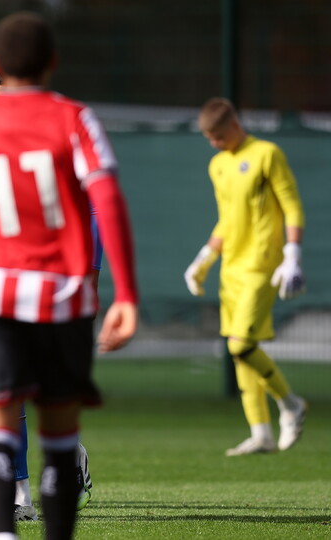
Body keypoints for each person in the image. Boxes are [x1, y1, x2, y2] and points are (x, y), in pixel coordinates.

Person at [0, 13, 138, 540]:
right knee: (60, 439)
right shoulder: (75, 118)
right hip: (61, 295)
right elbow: (108, 201)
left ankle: (2, 534)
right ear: (53, 62)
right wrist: (126, 294)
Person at [0, 74, 96, 521]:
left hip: (55, 283)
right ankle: (21, 496)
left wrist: (90, 276)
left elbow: (92, 206)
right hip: (3, 283)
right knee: (5, 392)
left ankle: (71, 458)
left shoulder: (61, 129)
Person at [185, 97, 308, 456]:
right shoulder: (218, 165)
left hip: (262, 264)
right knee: (239, 351)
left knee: (240, 345)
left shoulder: (267, 153)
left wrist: (293, 255)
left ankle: (291, 404)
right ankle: (261, 433)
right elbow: (227, 219)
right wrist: (204, 259)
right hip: (232, 268)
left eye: (219, 136)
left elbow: (291, 205)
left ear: (235, 125)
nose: (214, 143)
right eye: (209, 138)